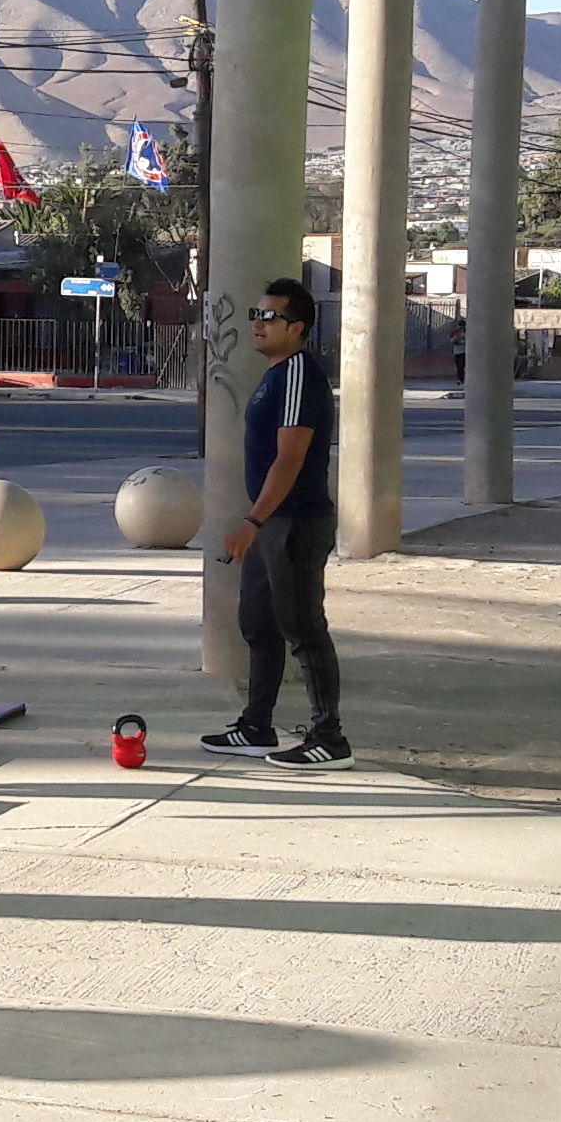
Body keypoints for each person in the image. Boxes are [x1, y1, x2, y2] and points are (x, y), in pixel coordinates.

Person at [208, 275, 352, 768]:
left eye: (270, 316)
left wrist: (252, 521)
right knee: (258, 624)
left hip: (295, 522)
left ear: (297, 327)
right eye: (256, 314)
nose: (258, 323)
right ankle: (256, 726)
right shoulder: (275, 375)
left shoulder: (298, 375)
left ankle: (329, 737)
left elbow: (290, 458)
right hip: (270, 523)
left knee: (303, 628)